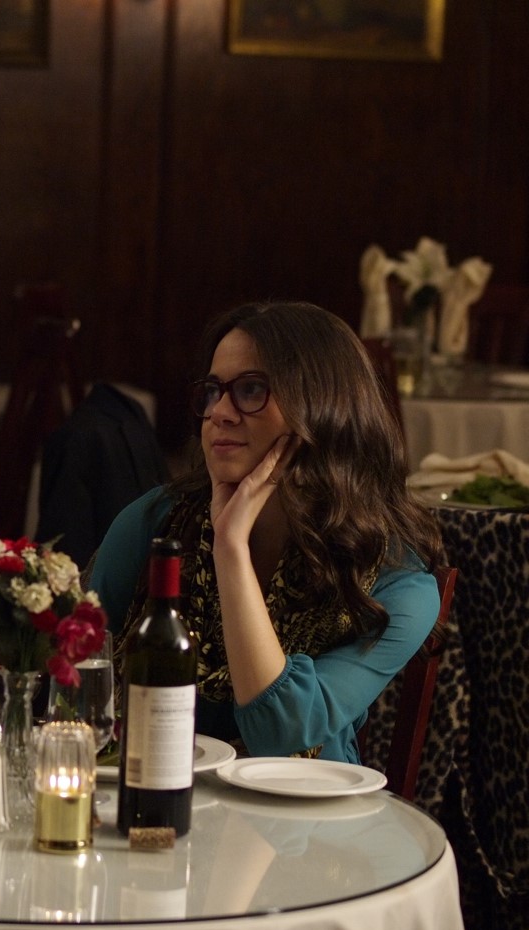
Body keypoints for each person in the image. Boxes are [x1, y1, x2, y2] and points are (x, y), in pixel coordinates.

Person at [88, 301, 443, 763]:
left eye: (251, 390)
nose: (219, 412)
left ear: (323, 408)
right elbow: (76, 679)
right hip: (154, 790)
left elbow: (279, 733)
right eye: (213, 391)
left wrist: (230, 547)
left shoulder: (396, 582)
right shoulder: (153, 524)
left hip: (307, 805)